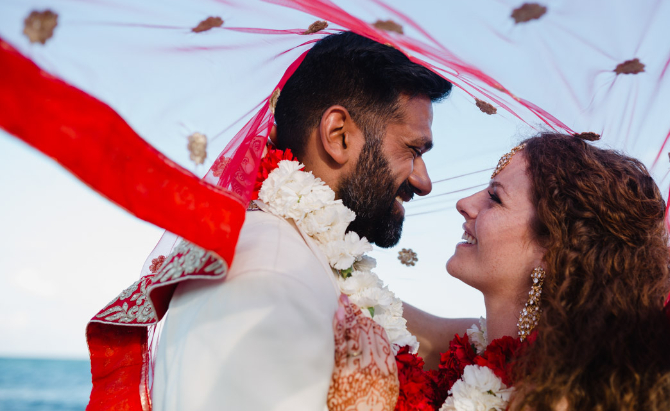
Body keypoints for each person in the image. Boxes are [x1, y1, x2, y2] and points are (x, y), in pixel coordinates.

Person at [150, 31, 451, 410]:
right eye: (413, 149)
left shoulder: (302, 256)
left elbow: (438, 338)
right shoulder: (270, 274)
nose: (424, 182)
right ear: (338, 136)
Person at [404, 132, 670, 410]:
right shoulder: (464, 343)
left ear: (554, 250)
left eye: (495, 197)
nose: (464, 204)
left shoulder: (559, 398)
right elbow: (365, 306)